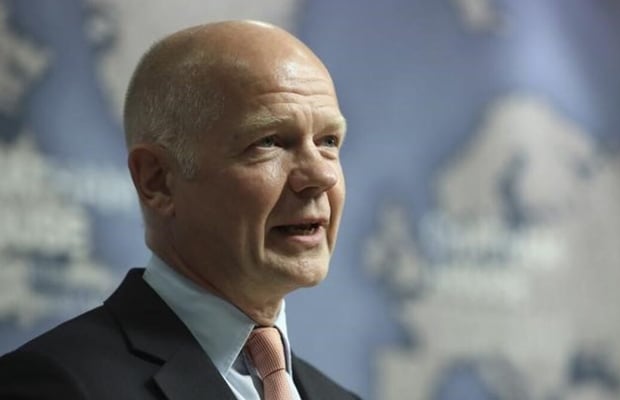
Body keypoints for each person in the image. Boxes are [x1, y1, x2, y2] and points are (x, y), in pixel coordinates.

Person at [0, 20, 359, 400]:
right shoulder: (54, 386)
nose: (321, 174)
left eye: (329, 141)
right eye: (269, 141)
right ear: (157, 180)